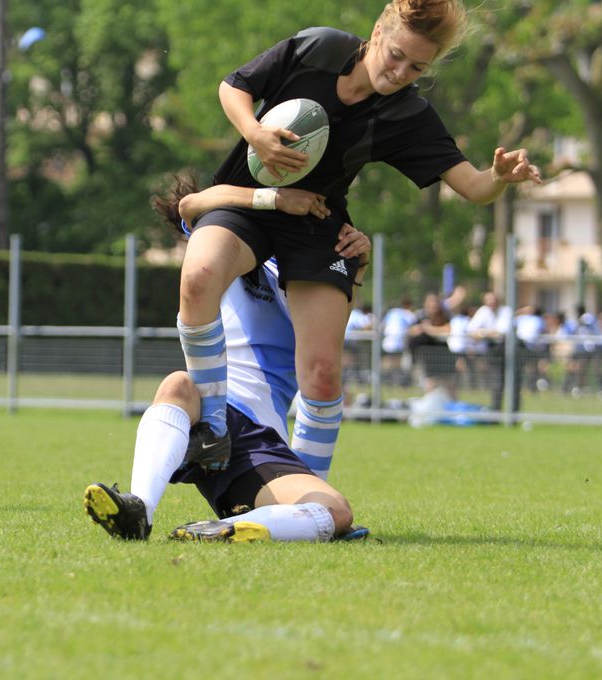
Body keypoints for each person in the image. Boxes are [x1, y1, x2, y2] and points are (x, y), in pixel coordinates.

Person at [174, 0, 543, 474]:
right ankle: (214, 430)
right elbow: (234, 86)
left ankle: (310, 495)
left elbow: (472, 187)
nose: (401, 72)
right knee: (199, 277)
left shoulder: (407, 113)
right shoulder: (319, 47)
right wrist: (256, 133)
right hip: (247, 198)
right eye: (396, 55)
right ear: (377, 32)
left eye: (417, 67)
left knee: (324, 376)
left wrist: (498, 176)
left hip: (317, 219)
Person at [84, 180, 370, 543]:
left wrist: (356, 270)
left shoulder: (319, 270)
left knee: (336, 512)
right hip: (207, 412)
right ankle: (138, 509)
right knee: (177, 384)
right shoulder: (229, 241)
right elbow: (192, 205)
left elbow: (324, 364)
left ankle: (226, 529)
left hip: (257, 443)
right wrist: (272, 199)